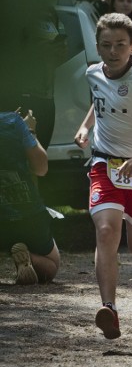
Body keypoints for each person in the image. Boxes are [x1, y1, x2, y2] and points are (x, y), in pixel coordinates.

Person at [73, 13, 132, 339]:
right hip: (104, 163)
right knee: (106, 230)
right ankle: (109, 308)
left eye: (119, 45)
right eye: (105, 45)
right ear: (97, 47)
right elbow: (100, 99)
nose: (112, 51)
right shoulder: (92, 74)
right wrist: (86, 127)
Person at [0, 107, 60, 285]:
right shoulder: (12, 122)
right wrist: (29, 130)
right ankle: (29, 258)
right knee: (52, 265)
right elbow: (41, 169)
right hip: (28, 215)